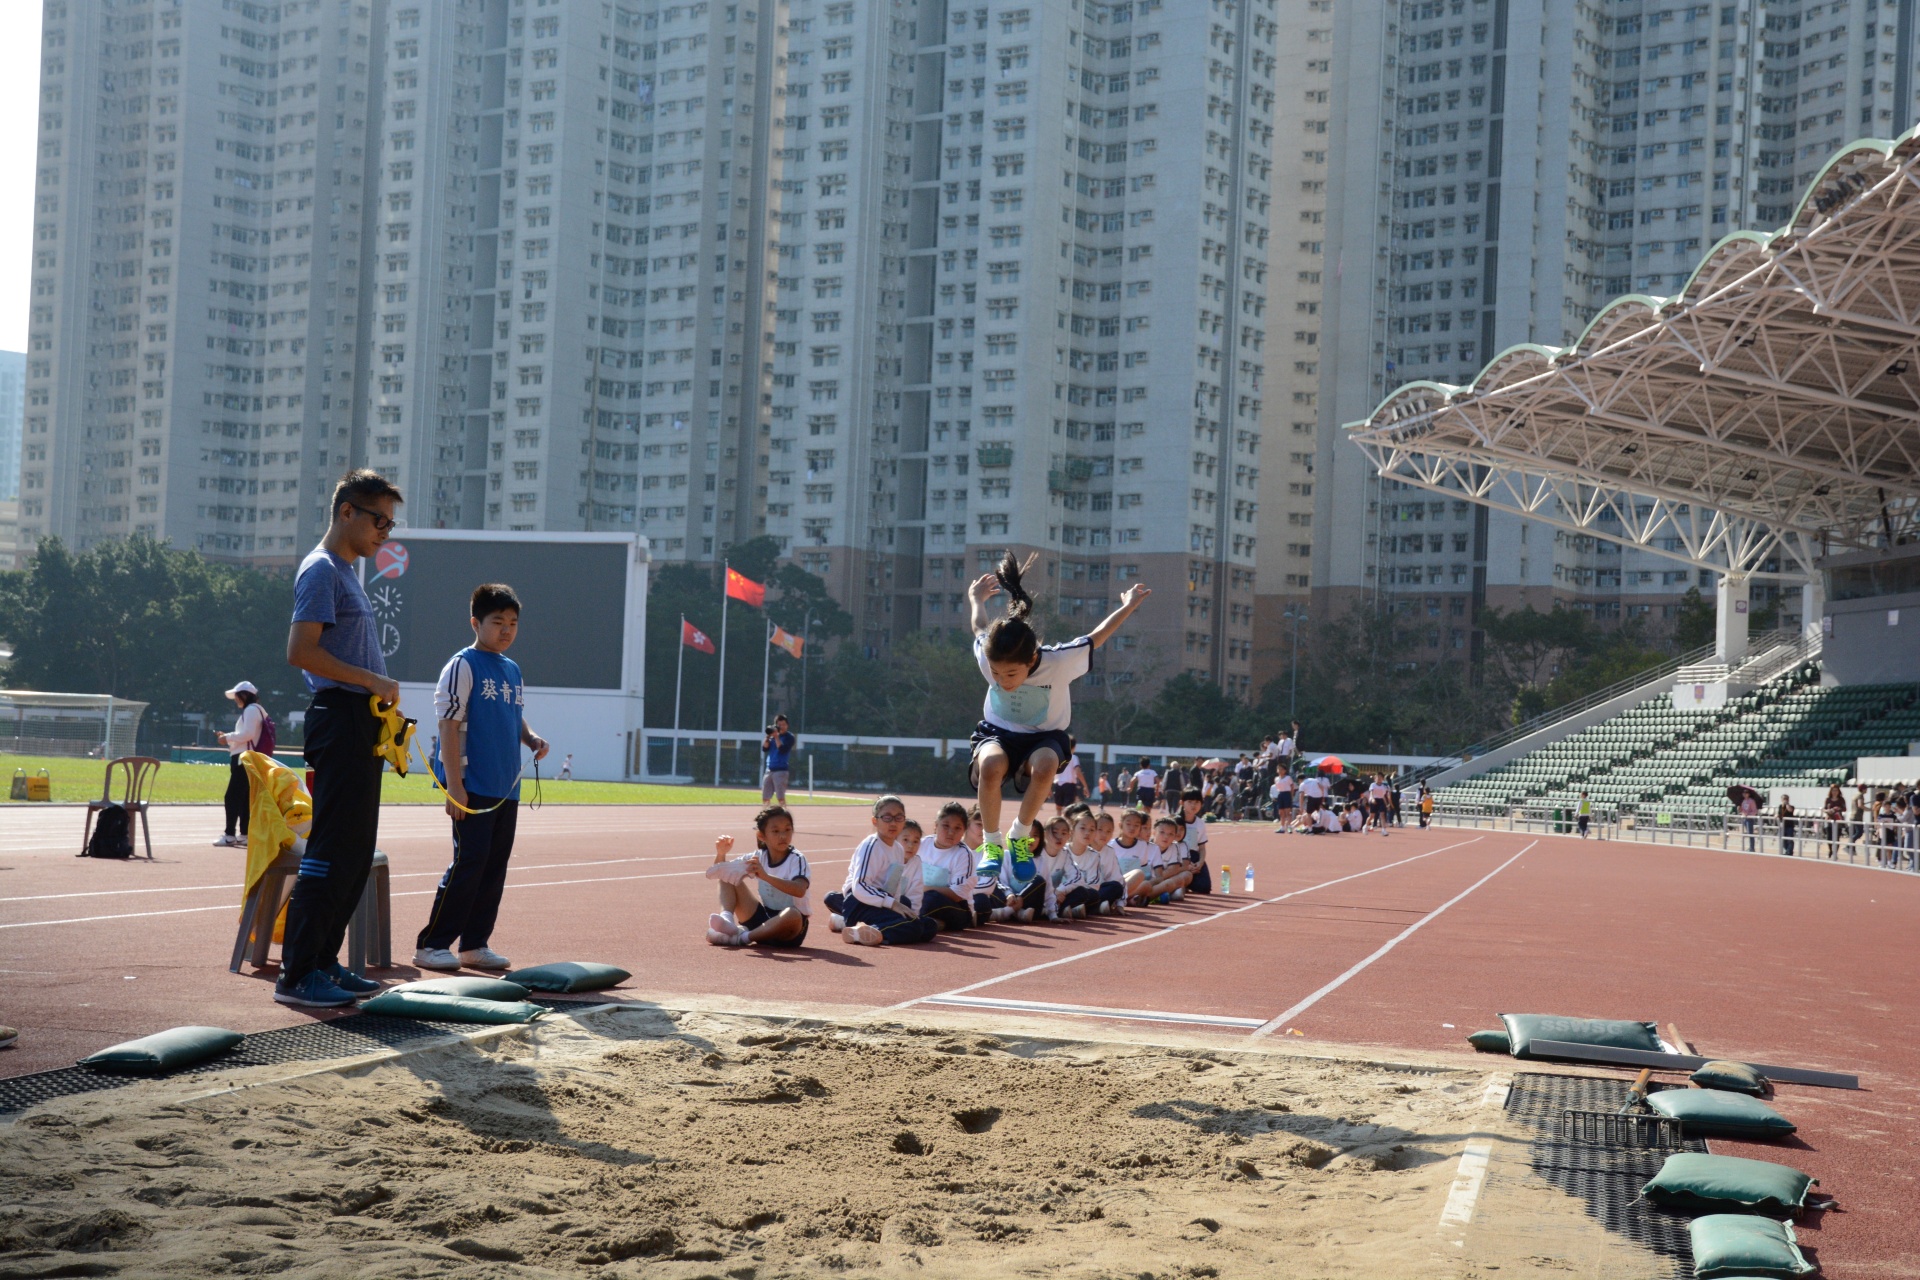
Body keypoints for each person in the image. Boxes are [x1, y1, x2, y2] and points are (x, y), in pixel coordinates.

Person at [277, 470, 405, 1008]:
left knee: (355, 851)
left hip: (362, 721)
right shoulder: (322, 569)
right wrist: (371, 680)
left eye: (390, 525)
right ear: (347, 511)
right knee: (332, 848)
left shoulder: (347, 572)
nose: (385, 533)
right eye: (379, 521)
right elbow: (300, 652)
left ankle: (324, 961)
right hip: (339, 717)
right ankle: (297, 973)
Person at [965, 551, 1150, 892]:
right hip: (998, 732)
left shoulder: (1059, 661)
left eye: (1011, 674)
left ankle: (1019, 837)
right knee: (990, 766)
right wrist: (976, 599)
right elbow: (979, 627)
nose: (1003, 681)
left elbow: (1097, 636)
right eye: (996, 674)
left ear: (1032, 659)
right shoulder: (988, 656)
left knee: (1047, 763)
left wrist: (1128, 606)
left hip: (1043, 737)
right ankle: (992, 844)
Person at [414, 584, 552, 972]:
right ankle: (432, 944)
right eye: (497, 622)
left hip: (506, 786)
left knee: (493, 867)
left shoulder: (511, 669)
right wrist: (454, 786)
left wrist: (531, 738)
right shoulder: (462, 665)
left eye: (513, 623)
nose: (506, 630)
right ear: (476, 623)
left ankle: (474, 944)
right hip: (471, 785)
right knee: (469, 863)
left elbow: (513, 714)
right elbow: (448, 724)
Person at [827, 795, 939, 946]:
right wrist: (893, 904)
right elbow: (860, 886)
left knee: (929, 926)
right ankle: (867, 931)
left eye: (898, 817)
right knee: (914, 926)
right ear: (875, 821)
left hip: (881, 903)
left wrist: (899, 906)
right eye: (887, 817)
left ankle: (859, 927)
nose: (893, 823)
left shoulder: (898, 849)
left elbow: (894, 886)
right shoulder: (871, 845)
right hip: (859, 903)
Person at [705, 805, 811, 948]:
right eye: (776, 831)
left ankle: (742, 938)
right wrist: (721, 853)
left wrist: (765, 876)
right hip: (762, 921)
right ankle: (727, 921)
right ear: (761, 836)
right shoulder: (758, 856)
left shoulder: (797, 859)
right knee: (728, 875)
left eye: (787, 830)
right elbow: (720, 872)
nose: (783, 836)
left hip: (788, 931)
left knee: (793, 914)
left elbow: (799, 890)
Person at [213, 680, 270, 848]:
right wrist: (229, 737)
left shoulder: (251, 710)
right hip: (250, 758)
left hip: (244, 759)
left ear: (244, 695)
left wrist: (227, 737)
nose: (236, 699)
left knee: (232, 796)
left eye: (237, 696)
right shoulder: (257, 710)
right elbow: (248, 735)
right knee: (244, 798)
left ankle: (229, 835)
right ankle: (244, 834)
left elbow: (248, 734)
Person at [918, 802, 977, 933]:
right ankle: (931, 922)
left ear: (964, 831)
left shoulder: (964, 854)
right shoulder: (922, 844)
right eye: (946, 826)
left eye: (957, 828)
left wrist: (923, 889)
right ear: (936, 825)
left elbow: (957, 894)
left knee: (930, 899)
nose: (951, 832)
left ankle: (916, 922)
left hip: (958, 908)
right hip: (920, 897)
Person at [1178, 789, 1213, 893]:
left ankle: (1186, 883)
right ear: (1182, 802)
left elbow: (1202, 848)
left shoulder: (1200, 823)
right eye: (1190, 802)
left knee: (1204, 888)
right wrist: (1186, 865)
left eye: (1197, 802)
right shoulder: (1175, 821)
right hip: (1176, 858)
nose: (1193, 805)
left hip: (1193, 857)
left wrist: (1200, 863)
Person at [761, 714, 796, 804]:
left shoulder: (789, 737)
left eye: (783, 724)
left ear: (787, 725)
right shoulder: (772, 737)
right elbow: (764, 748)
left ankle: (783, 811)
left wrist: (776, 737)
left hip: (781, 770)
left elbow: (782, 749)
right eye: (779, 725)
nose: (781, 727)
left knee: (780, 797)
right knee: (765, 797)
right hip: (769, 769)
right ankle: (766, 812)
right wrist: (768, 737)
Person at [1052, 748, 1083, 814]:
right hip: (1069, 785)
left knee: (1058, 808)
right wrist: (1085, 785)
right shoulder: (1073, 757)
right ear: (1073, 748)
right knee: (1068, 808)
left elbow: (1051, 772)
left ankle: (1058, 819)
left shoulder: (1057, 757)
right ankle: (1066, 819)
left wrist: (1048, 787)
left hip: (1058, 784)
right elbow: (1078, 772)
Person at [1822, 783, 1845, 859]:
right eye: (1833, 790)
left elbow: (1844, 808)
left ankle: (1835, 853)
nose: (1834, 792)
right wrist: (1828, 811)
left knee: (1837, 837)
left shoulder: (1841, 799)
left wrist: (1837, 808)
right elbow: (1824, 808)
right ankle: (1830, 850)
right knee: (1829, 837)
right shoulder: (1828, 799)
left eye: (1836, 790)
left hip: (1838, 819)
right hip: (1829, 819)